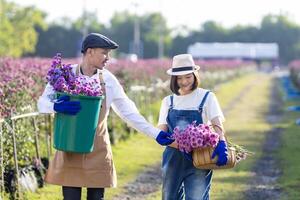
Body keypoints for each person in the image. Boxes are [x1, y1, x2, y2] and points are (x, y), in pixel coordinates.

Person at [37, 33, 174, 200]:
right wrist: (56, 106)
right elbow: (41, 103)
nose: (108, 58)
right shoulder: (64, 75)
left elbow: (128, 112)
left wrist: (155, 133)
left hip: (98, 149)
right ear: (90, 51)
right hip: (70, 147)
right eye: (104, 53)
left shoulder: (108, 80)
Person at [157, 54, 228, 200]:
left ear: (195, 75)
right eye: (179, 78)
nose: (184, 82)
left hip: (200, 156)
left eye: (188, 77)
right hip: (173, 158)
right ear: (174, 79)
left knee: (197, 197)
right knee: (169, 197)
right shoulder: (168, 101)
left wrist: (222, 142)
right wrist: (167, 140)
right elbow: (162, 130)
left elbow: (217, 123)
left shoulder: (207, 97)